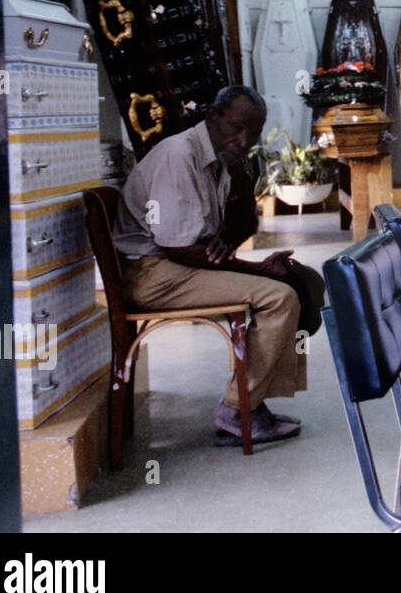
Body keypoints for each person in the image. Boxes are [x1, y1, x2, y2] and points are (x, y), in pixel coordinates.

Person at [112, 85, 325, 446]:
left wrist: (253, 264)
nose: (244, 140)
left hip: (168, 267)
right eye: (237, 127)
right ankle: (238, 408)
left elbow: (212, 244)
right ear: (212, 116)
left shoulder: (216, 161)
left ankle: (250, 405)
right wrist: (258, 271)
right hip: (153, 274)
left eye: (253, 133)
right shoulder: (180, 155)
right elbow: (181, 249)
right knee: (280, 297)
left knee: (293, 285)